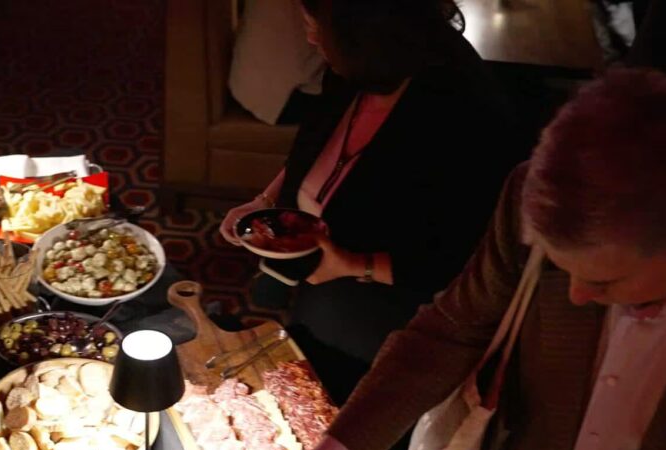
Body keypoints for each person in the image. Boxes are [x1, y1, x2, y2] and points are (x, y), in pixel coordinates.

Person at [231, 68, 666, 450]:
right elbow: (449, 331)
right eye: (562, 273)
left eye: (605, 285)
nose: (580, 297)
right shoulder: (528, 195)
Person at [220, 0, 515, 407]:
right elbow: (313, 147)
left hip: (390, 309)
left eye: (315, 26)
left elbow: (460, 252)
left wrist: (354, 266)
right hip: (325, 279)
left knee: (344, 408)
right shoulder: (356, 64)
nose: (309, 38)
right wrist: (264, 199)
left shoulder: (462, 111)